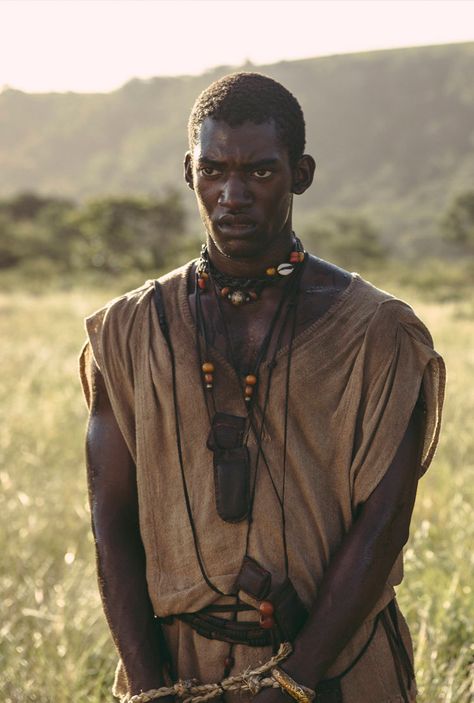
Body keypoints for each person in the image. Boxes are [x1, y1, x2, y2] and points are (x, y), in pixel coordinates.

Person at [79, 73, 445, 703]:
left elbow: (385, 523)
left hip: (341, 666)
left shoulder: (378, 332)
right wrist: (146, 687)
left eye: (260, 172)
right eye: (214, 170)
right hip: (176, 671)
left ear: (300, 174)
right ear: (188, 172)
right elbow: (110, 519)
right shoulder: (132, 329)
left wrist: (296, 680)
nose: (233, 194)